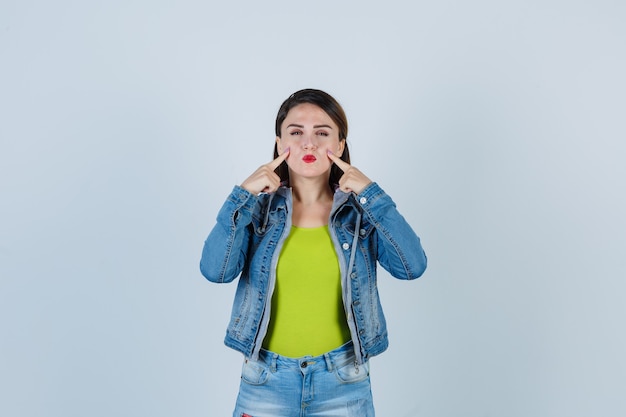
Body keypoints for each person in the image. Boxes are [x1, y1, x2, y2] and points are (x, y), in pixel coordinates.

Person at [200, 88, 427, 417]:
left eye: (322, 133)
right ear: (279, 144)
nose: (309, 144)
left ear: (340, 146)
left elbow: (412, 266)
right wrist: (241, 197)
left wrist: (370, 193)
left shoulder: (359, 213)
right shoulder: (257, 212)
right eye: (296, 132)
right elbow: (215, 271)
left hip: (343, 381)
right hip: (265, 380)